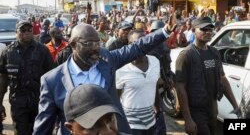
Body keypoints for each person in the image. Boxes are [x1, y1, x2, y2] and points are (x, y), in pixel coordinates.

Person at [33, 21, 176, 135]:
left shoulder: (107, 60)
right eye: (89, 44)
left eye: (97, 43)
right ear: (73, 45)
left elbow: (137, 48)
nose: (96, 48)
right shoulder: (52, 81)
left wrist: (165, 31)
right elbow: (43, 127)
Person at [175, 16, 239, 135]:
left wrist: (235, 105)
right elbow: (180, 87)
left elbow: (222, 79)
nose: (208, 32)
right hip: (196, 111)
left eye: (210, 29)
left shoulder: (214, 52)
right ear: (193, 30)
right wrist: (188, 119)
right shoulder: (186, 55)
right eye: (203, 29)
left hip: (212, 107)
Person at [0, 20, 54, 135]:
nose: (26, 33)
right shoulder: (7, 52)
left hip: (40, 101)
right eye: (22, 30)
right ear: (16, 32)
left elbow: (52, 76)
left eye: (29, 30)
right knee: (21, 132)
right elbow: (3, 79)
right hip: (18, 102)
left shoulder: (42, 50)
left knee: (42, 131)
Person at [116, 30, 161, 135]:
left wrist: (158, 109)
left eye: (144, 41)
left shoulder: (155, 61)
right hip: (130, 125)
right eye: (136, 43)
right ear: (129, 45)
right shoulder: (121, 68)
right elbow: (116, 98)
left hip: (151, 122)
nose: (141, 45)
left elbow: (155, 88)